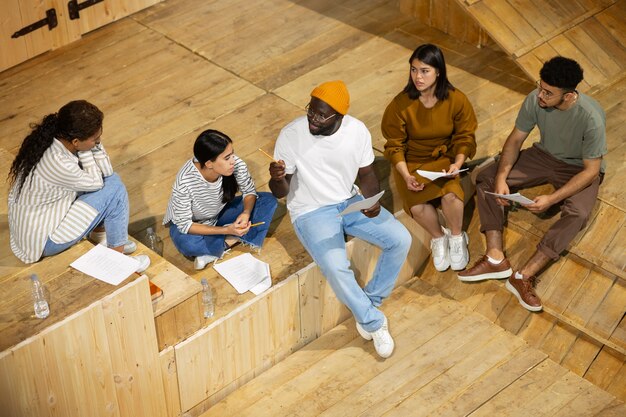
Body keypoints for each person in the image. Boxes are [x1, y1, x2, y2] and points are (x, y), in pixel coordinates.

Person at [269, 80, 412, 359]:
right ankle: (373, 321)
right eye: (311, 110)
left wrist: (372, 203)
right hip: (311, 211)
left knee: (401, 239)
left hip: (348, 200)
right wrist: (276, 179)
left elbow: (368, 175)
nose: (313, 118)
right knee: (336, 267)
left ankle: (368, 304)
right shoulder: (291, 135)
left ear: (339, 117)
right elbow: (280, 191)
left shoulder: (356, 131)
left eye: (321, 115)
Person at [458, 57, 607, 312]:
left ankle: (523, 276)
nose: (541, 95)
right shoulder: (535, 99)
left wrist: (552, 198)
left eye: (549, 93)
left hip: (578, 168)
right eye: (540, 87)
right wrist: (502, 179)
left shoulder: (591, 117)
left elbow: (592, 171)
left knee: (578, 213)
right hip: (544, 155)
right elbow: (515, 141)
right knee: (487, 178)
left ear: (569, 96)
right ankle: (495, 257)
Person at [8, 100, 149, 271]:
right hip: (44, 241)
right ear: (75, 141)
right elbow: (97, 181)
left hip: (31, 232)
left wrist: (89, 147)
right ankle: (116, 262)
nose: (98, 143)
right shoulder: (58, 163)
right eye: (95, 139)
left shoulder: (55, 139)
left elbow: (107, 172)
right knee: (115, 191)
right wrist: (88, 153)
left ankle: (105, 240)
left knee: (111, 182)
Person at [382, 43, 477, 272]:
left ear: (439, 72)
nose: (418, 76)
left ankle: (456, 237)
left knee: (452, 196)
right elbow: (394, 145)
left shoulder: (456, 100)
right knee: (417, 207)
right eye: (414, 70)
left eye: (424, 71)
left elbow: (465, 135)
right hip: (412, 162)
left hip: (445, 159)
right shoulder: (400, 104)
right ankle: (438, 237)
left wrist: (458, 163)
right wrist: (405, 176)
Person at [164, 129, 277, 270]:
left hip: (219, 213)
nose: (233, 161)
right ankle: (233, 238)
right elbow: (185, 225)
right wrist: (226, 230)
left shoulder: (235, 165)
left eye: (232, 154)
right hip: (193, 224)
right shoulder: (184, 182)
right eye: (227, 158)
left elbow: (249, 192)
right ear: (209, 163)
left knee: (268, 201)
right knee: (187, 244)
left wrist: (246, 213)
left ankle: (217, 247)